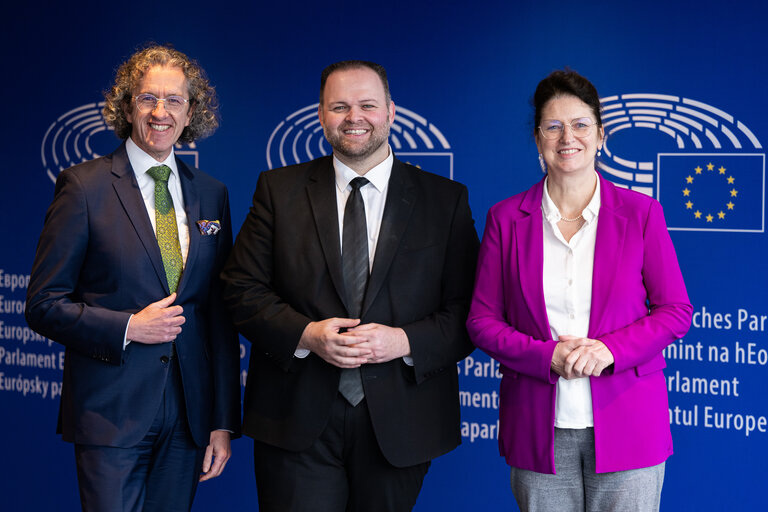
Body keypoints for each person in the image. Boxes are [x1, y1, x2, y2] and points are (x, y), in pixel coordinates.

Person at [221, 59, 479, 512]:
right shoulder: (278, 191)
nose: (353, 117)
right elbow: (241, 288)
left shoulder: (445, 201)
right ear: (321, 115)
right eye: (339, 106)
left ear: (391, 111)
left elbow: (470, 310)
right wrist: (305, 335)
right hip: (295, 416)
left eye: (367, 105)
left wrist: (402, 340)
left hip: (401, 419)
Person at [25, 44, 240, 512]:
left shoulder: (211, 194)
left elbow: (219, 317)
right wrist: (127, 328)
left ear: (190, 114)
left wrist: (221, 420)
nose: (160, 112)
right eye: (147, 98)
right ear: (127, 107)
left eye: (174, 100)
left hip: (188, 417)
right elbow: (43, 304)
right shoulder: (83, 186)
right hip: (110, 413)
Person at [466, 69, 693, 512]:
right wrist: (543, 355)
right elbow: (481, 321)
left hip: (629, 422)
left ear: (601, 135)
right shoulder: (505, 219)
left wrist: (610, 351)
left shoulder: (642, 213)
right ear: (538, 140)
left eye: (580, 124)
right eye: (553, 126)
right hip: (538, 427)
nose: (567, 136)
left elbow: (674, 310)